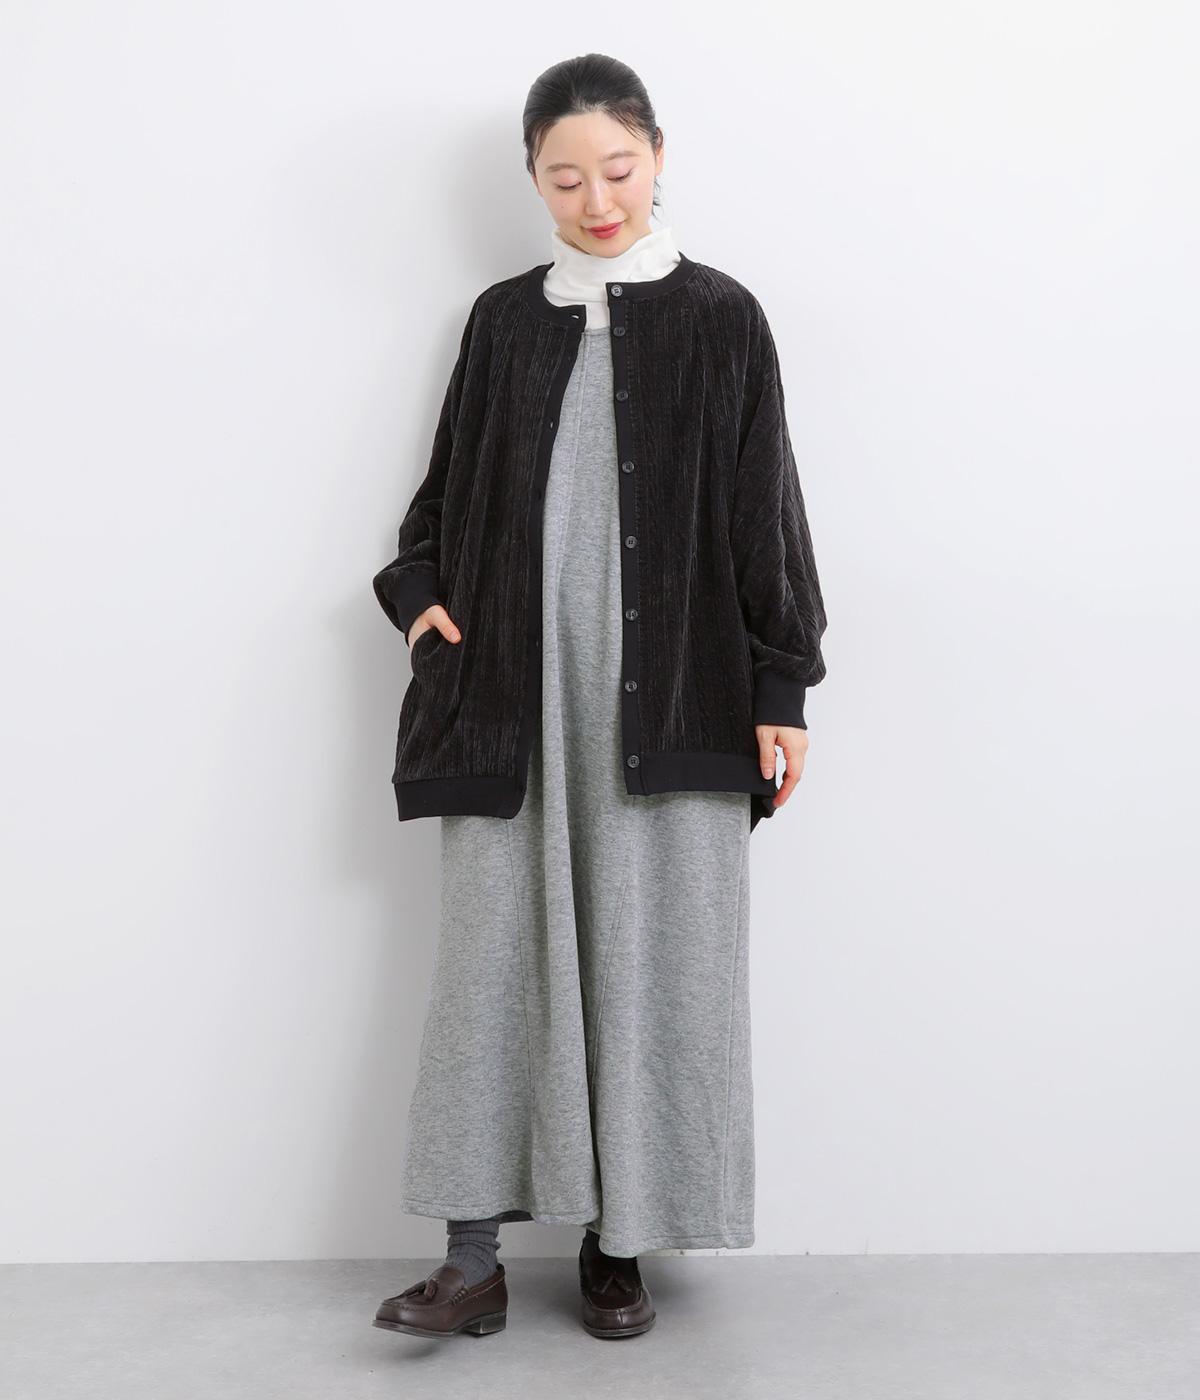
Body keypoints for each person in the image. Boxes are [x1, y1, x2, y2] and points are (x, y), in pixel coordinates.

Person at [371, 52, 828, 1342]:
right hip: (511, 702)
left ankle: (617, 1244)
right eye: (564, 178)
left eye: (617, 170)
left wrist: (781, 684)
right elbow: (442, 498)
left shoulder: (723, 318)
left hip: (675, 702)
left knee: (649, 972)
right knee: (492, 974)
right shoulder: (503, 322)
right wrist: (421, 597)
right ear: (533, 180)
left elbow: (766, 512)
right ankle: (469, 1262)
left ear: (658, 156)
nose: (597, 200)